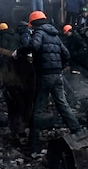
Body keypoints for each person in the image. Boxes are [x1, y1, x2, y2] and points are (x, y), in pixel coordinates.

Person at [15, 11, 82, 151]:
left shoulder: (39, 32)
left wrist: (19, 51)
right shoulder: (55, 35)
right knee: (63, 104)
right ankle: (77, 131)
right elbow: (66, 54)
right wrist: (60, 67)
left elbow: (34, 46)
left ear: (33, 23)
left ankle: (33, 143)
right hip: (57, 75)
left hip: (45, 75)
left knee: (38, 107)